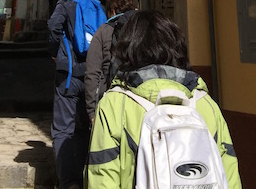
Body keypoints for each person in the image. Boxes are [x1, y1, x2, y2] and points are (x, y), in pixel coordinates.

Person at [87, 10, 242, 189]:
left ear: (127, 49)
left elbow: (102, 177)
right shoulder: (206, 104)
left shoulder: (114, 105)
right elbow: (230, 175)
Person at [48, 0, 104, 189]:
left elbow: (53, 27)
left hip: (69, 75)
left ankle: (68, 181)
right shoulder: (98, 7)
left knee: (63, 128)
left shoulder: (65, 5)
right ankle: (83, 177)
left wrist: (56, 54)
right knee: (84, 127)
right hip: (92, 78)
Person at [84, 0, 136, 122]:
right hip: (139, 100)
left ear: (112, 11)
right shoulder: (141, 27)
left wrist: (92, 111)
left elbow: (92, 72)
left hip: (110, 99)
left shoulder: (103, 31)